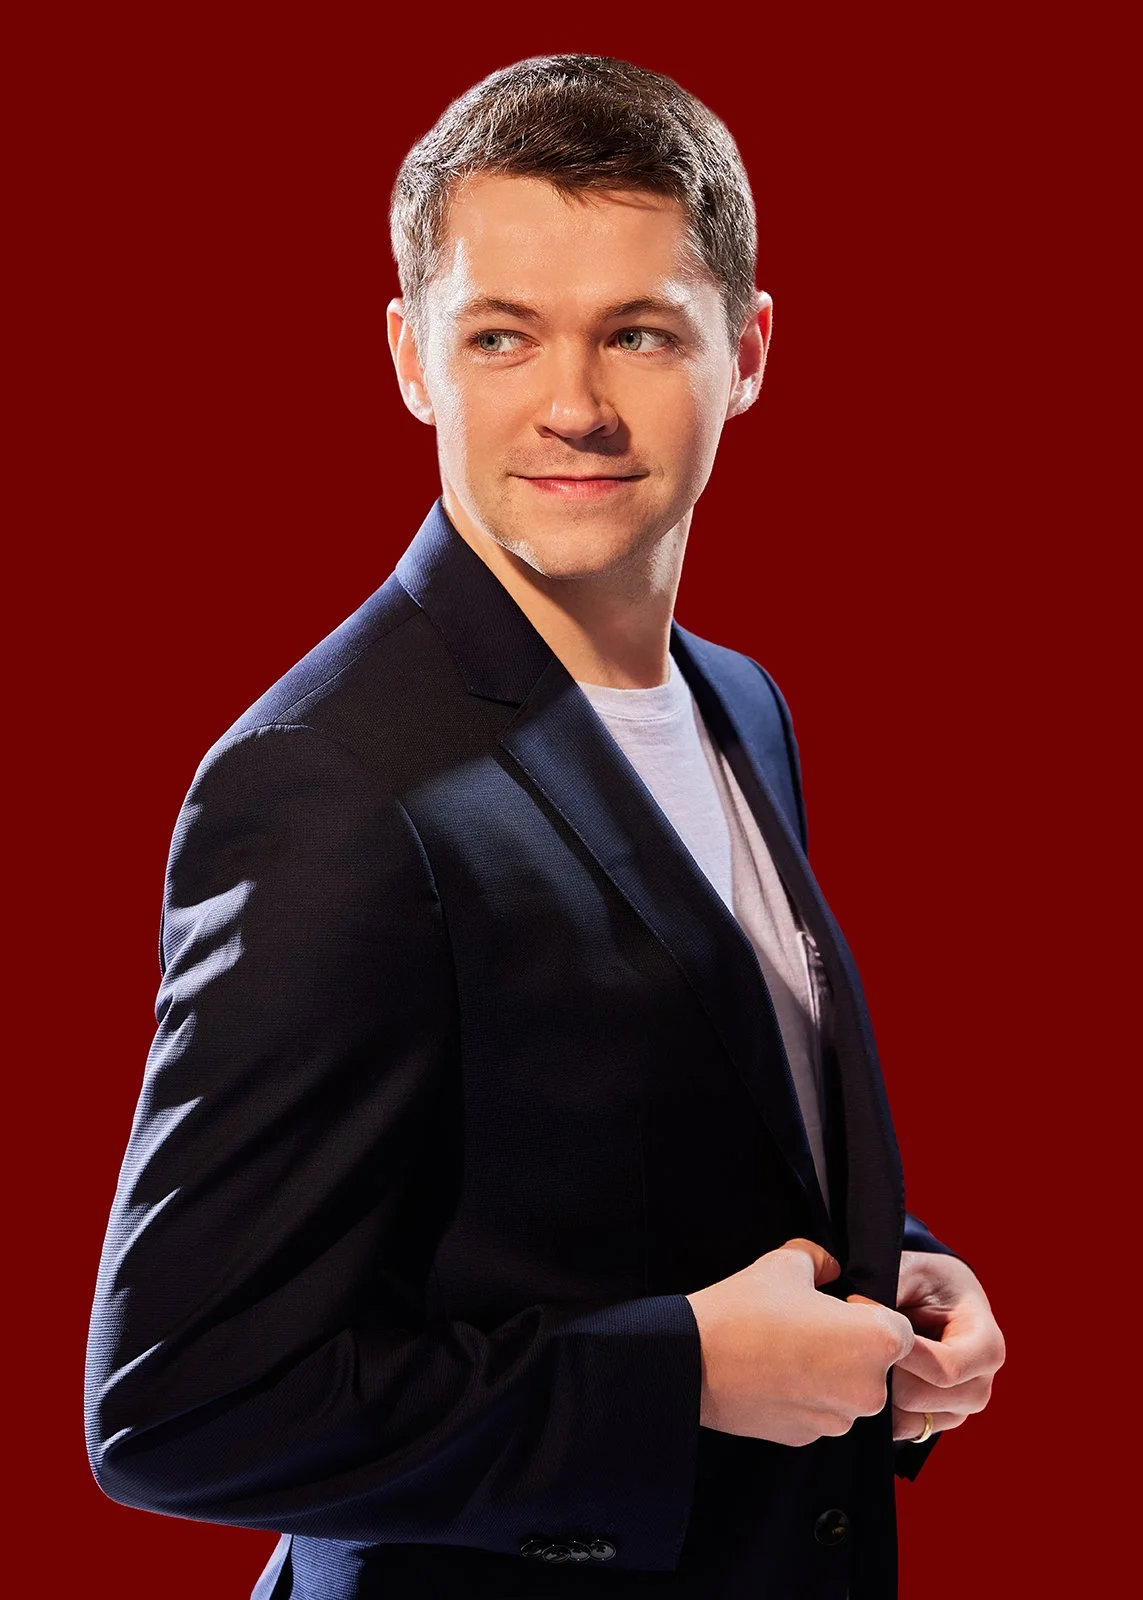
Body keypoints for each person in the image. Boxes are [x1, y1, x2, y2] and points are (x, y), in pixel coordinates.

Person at [84, 53, 1005, 1600]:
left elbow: (647, 1122)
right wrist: (681, 1376)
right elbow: (181, 1407)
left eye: (638, 333)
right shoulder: (327, 784)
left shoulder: (740, 700)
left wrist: (889, 1268)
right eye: (500, 336)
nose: (572, 407)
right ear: (411, 358)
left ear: (746, 352)